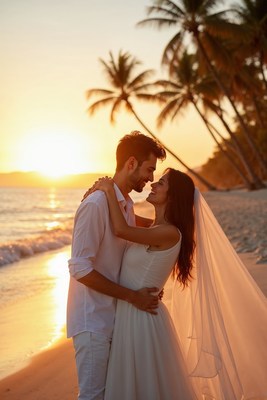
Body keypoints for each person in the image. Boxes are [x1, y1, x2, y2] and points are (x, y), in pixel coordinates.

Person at [94, 169, 267, 400]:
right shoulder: (154, 229)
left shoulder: (169, 233)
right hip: (134, 313)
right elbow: (124, 219)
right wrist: (104, 199)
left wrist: (107, 189)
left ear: (173, 196)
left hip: (141, 319)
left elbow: (121, 229)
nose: (153, 184)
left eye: (161, 183)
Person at [66, 131, 166, 400]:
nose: (151, 178)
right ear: (131, 163)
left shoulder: (124, 205)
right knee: (93, 396)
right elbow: (80, 269)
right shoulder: (96, 204)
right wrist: (133, 296)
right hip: (93, 320)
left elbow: (152, 232)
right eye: (149, 169)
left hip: (115, 317)